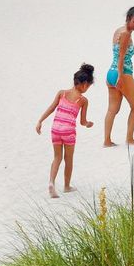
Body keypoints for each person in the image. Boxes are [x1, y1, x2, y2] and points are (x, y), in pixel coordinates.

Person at [35, 63, 95, 198]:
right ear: (85, 84)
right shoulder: (83, 100)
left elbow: (51, 108)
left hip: (55, 129)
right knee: (68, 159)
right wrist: (88, 124)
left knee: (57, 157)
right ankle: (67, 186)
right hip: (68, 132)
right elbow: (82, 122)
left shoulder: (62, 93)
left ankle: (51, 182)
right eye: (89, 86)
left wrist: (40, 120)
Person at [104, 6, 134, 148]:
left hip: (110, 73)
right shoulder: (126, 34)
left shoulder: (118, 30)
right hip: (123, 73)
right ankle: (130, 138)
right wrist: (121, 77)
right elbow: (121, 57)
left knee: (112, 109)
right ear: (128, 18)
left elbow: (116, 54)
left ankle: (107, 141)